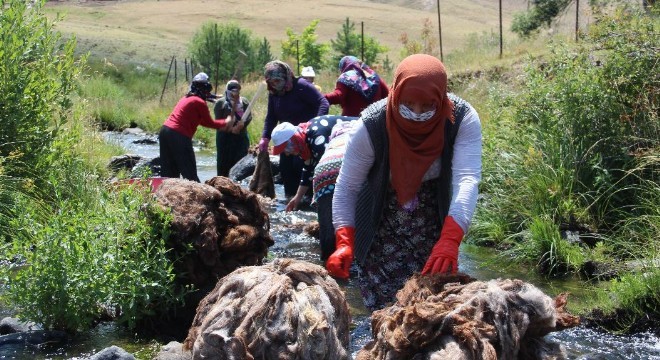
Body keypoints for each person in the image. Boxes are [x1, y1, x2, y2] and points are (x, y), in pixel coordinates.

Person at [326, 54, 482, 311]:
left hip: (434, 219)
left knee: (433, 305)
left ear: (441, 99)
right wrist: (344, 241)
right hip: (379, 219)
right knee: (388, 313)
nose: (417, 114)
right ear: (395, 95)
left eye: (427, 106)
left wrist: (450, 240)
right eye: (408, 104)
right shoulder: (372, 124)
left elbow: (467, 179)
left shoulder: (460, 119)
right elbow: (347, 186)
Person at [270, 115, 358, 261]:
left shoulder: (317, 134)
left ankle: (336, 252)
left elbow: (325, 167)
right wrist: (297, 199)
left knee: (332, 205)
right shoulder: (306, 140)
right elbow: (308, 169)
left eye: (286, 147)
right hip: (340, 161)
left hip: (352, 151)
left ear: (294, 139)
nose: (286, 153)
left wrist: (322, 204)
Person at [258, 60, 329, 197]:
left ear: (286, 76)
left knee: (302, 170)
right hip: (286, 141)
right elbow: (271, 117)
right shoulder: (274, 93)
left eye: (277, 80)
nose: (274, 84)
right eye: (271, 82)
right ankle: (291, 206)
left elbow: (323, 103)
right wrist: (265, 137)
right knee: (286, 172)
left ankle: (308, 205)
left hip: (304, 139)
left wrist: (313, 125)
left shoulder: (301, 86)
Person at [159, 72, 235, 182]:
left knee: (169, 172)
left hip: (165, 131)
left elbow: (202, 121)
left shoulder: (186, 98)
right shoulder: (199, 102)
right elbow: (209, 123)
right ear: (205, 88)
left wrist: (217, 97)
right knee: (189, 173)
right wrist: (226, 122)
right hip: (179, 135)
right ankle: (199, 196)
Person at [324, 55, 389, 117]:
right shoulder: (373, 75)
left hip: (352, 122)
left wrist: (321, 98)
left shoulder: (346, 77)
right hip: (374, 121)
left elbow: (338, 96)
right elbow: (388, 95)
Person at [214, 79, 252, 177]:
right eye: (232, 90)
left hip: (241, 138)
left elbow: (249, 116)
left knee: (240, 164)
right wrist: (231, 129)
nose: (235, 92)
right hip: (225, 140)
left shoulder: (244, 101)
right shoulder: (221, 103)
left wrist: (242, 125)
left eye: (237, 90)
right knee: (224, 166)